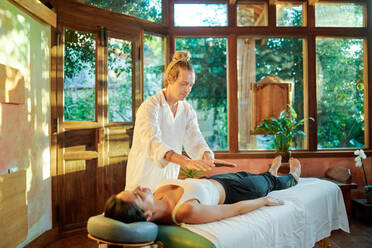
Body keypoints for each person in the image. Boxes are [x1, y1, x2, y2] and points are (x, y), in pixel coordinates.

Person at [104, 156, 301, 225]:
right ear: (147, 216)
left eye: (134, 189)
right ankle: (293, 176)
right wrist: (264, 202)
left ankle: (271, 173)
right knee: (269, 183)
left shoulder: (156, 194)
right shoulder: (184, 211)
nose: (139, 187)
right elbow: (234, 210)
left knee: (258, 176)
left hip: (217, 180)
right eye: (138, 195)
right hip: (237, 192)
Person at [125, 51, 216, 191]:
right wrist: (186, 162)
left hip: (168, 180)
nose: (187, 90)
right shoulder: (150, 106)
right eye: (183, 84)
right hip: (142, 180)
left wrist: (206, 155)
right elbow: (153, 143)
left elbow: (196, 139)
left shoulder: (187, 110)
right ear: (169, 79)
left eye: (191, 85)